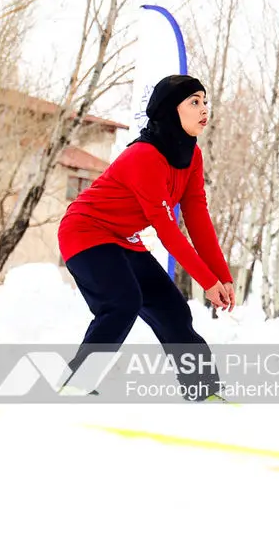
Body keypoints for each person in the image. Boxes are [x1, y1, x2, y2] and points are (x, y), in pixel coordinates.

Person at [56, 74, 234, 400]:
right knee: (122, 302)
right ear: (169, 110)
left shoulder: (191, 156)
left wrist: (223, 276)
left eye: (204, 101)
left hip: (123, 238)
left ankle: (204, 391)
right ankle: (76, 385)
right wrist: (207, 281)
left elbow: (197, 219)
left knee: (172, 310)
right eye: (194, 102)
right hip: (85, 232)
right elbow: (167, 229)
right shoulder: (144, 156)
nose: (204, 108)